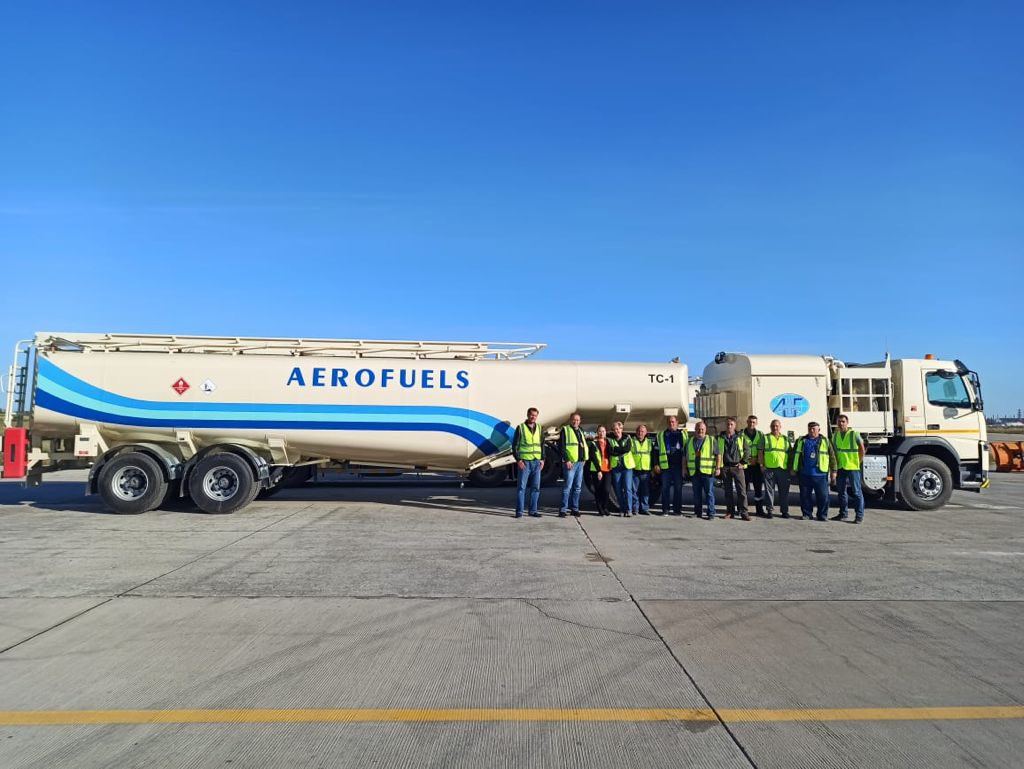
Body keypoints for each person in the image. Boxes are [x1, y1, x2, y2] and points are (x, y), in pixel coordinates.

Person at [790, 421, 836, 521]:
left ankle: (822, 515)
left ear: (819, 430)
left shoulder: (825, 441)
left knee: (823, 496)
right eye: (810, 429)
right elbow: (794, 455)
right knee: (805, 496)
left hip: (820, 474)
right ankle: (807, 514)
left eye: (814, 429)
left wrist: (834, 471)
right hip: (805, 474)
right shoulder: (801, 440)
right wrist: (793, 468)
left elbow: (832, 457)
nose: (812, 431)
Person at [830, 414, 866, 524]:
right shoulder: (835, 436)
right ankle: (843, 514)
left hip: (852, 467)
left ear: (847, 423)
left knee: (856, 492)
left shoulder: (854, 434)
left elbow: (862, 449)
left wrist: (858, 461)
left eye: (843, 421)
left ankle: (859, 516)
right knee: (841, 492)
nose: (841, 423)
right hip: (841, 467)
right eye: (839, 421)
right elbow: (833, 452)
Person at [512, 407, 544, 518]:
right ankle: (519, 512)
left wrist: (543, 459)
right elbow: (515, 446)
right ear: (527, 415)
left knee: (536, 488)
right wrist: (518, 460)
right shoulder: (520, 428)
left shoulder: (539, 428)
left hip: (536, 462)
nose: (533, 417)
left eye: (535, 415)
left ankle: (533, 511)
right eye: (531, 415)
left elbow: (542, 444)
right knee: (521, 488)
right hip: (525, 462)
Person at [685, 421, 720, 519]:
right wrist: (684, 469)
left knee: (709, 493)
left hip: (707, 472)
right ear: (695, 430)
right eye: (698, 429)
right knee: (696, 493)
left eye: (702, 429)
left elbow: (718, 455)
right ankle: (698, 512)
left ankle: (711, 513)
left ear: (705, 430)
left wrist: (717, 468)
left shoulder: (711, 440)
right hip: (695, 472)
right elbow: (684, 456)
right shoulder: (689, 441)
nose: (700, 431)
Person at [718, 418, 751, 520]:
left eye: (731, 424)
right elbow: (716, 452)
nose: (729, 426)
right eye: (728, 424)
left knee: (742, 491)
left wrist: (743, 462)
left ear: (735, 426)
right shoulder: (720, 437)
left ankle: (744, 512)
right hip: (725, 467)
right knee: (728, 492)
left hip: (737, 467)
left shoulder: (740, 437)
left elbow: (747, 450)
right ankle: (730, 512)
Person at [653, 414, 686, 516]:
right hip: (666, 466)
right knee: (665, 488)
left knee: (678, 489)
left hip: (678, 466)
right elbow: (655, 451)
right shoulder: (661, 435)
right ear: (667, 423)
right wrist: (656, 464)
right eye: (670, 422)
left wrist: (685, 467)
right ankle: (665, 510)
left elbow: (686, 452)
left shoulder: (682, 435)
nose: (671, 424)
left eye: (673, 422)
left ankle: (677, 510)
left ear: (677, 423)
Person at [558, 412, 589, 518]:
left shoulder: (580, 430)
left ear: (580, 421)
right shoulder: (565, 430)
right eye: (574, 419)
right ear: (570, 420)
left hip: (580, 463)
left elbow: (583, 445)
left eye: (577, 420)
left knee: (577, 487)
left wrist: (584, 458)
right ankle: (563, 509)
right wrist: (567, 460)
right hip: (571, 463)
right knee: (567, 487)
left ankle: (575, 509)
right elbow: (561, 447)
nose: (576, 422)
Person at [762, 419, 792, 518]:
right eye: (773, 426)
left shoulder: (785, 439)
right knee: (769, 491)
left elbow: (790, 453)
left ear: (780, 427)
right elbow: (760, 452)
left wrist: (790, 467)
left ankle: (784, 511)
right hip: (769, 469)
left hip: (783, 469)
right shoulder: (765, 438)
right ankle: (769, 510)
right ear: (770, 427)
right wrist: (762, 465)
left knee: (784, 492)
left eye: (777, 426)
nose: (775, 428)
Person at [607, 422, 636, 516]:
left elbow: (627, 449)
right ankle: (622, 509)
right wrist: (620, 450)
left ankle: (629, 510)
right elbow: (610, 452)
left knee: (628, 489)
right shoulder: (610, 439)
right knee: (618, 489)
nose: (616, 431)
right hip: (616, 467)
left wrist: (616, 449)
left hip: (627, 467)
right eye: (614, 429)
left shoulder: (627, 438)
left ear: (621, 429)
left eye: (618, 429)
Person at [587, 425, 613, 516]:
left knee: (606, 490)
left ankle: (604, 507)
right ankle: (600, 508)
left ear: (606, 432)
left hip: (607, 469)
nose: (602, 433)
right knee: (598, 490)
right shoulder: (594, 443)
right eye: (600, 431)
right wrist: (599, 471)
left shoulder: (609, 442)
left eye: (603, 431)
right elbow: (593, 457)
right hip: (597, 470)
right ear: (597, 433)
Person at [743, 415, 766, 516]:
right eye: (750, 422)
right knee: (743, 489)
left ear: (756, 423)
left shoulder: (760, 434)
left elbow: (763, 449)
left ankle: (759, 510)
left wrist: (760, 462)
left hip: (756, 465)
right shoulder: (741, 434)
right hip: (745, 465)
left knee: (758, 488)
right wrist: (745, 460)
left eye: (753, 422)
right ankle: (742, 509)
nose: (751, 424)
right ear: (747, 422)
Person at [631, 424, 653, 514]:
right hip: (635, 469)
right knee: (634, 491)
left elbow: (653, 455)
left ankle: (644, 509)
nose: (640, 433)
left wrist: (653, 468)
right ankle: (635, 509)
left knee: (645, 491)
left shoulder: (649, 442)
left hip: (645, 470)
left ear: (646, 432)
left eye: (642, 431)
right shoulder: (632, 441)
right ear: (636, 432)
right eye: (639, 431)